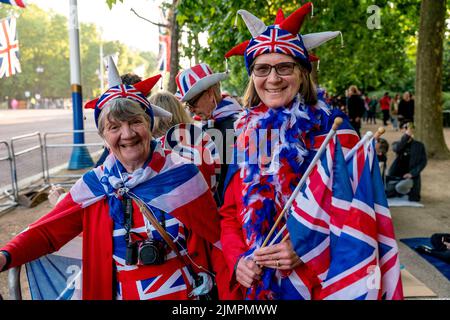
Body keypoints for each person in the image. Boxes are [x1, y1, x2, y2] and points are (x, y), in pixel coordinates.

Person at [0, 57, 225, 300]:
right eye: (114, 127)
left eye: (135, 122)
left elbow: (219, 239)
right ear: (104, 137)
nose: (127, 134)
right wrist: (6, 255)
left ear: (149, 124)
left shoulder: (182, 175)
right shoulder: (95, 186)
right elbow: (46, 232)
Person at [222, 4, 359, 300]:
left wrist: (307, 244)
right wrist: (237, 261)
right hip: (258, 287)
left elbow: (357, 215)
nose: (273, 79)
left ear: (303, 72)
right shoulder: (245, 135)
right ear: (252, 75)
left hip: (318, 283)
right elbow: (230, 215)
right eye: (262, 68)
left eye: (284, 67)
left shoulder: (336, 132)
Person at [175, 63, 243, 205]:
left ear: (210, 93)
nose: (191, 109)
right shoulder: (203, 127)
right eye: (188, 105)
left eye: (193, 102)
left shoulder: (239, 126)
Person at [385, 122, 427, 202]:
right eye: (406, 128)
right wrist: (407, 136)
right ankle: (399, 191)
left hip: (411, 177)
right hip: (396, 177)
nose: (408, 130)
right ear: (402, 130)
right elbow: (397, 149)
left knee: (413, 198)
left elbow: (423, 162)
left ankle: (404, 190)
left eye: (410, 129)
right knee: (387, 192)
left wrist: (412, 173)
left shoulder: (419, 145)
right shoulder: (397, 144)